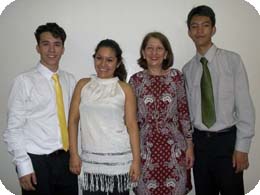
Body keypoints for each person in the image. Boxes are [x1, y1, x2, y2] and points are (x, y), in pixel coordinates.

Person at [182, 5, 255, 195]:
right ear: (189, 31)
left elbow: (245, 107)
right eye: (194, 26)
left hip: (227, 142)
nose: (199, 31)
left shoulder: (232, 61)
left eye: (205, 25)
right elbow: (188, 112)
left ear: (213, 29)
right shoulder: (187, 70)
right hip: (200, 145)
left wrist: (242, 148)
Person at [3, 23, 78, 195]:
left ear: (63, 49)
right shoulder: (24, 81)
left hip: (66, 160)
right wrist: (23, 166)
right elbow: (13, 129)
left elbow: (73, 121)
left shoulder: (69, 80)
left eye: (57, 44)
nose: (52, 50)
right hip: (36, 163)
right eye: (46, 44)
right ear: (37, 47)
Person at [68, 39, 141, 195]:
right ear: (94, 58)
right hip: (90, 163)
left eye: (109, 60)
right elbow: (73, 121)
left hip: (120, 162)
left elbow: (132, 126)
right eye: (99, 58)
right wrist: (74, 154)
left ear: (118, 62)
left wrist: (136, 160)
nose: (103, 64)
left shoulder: (124, 88)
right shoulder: (83, 85)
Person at [129, 32, 194, 195]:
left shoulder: (176, 77)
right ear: (143, 53)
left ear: (166, 53)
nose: (154, 53)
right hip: (145, 151)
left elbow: (184, 113)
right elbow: (131, 121)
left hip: (174, 150)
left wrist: (190, 146)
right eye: (149, 48)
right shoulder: (135, 81)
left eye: (159, 48)